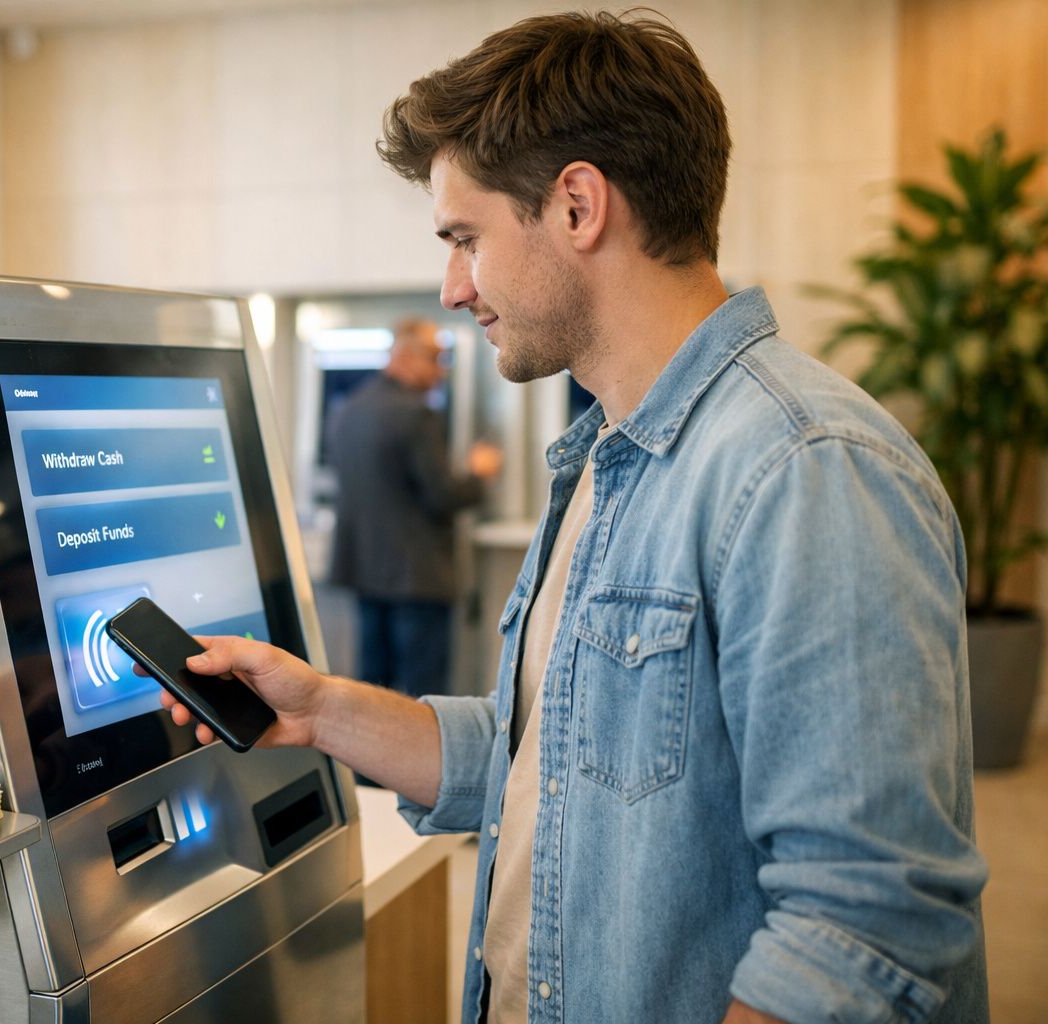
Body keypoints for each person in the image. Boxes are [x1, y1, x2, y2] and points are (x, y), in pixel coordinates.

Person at [160, 11, 987, 1023]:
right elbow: (539, 763)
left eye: (465, 238)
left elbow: (864, 928)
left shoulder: (806, 469)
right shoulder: (604, 459)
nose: (453, 287)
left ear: (579, 206)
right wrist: (323, 709)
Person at [327, 317, 501, 697]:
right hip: (416, 579)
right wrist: (479, 473)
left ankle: (367, 761)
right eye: (435, 359)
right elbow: (444, 496)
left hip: (366, 573)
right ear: (404, 357)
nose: (441, 371)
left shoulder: (349, 409)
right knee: (426, 698)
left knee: (372, 691)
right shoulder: (416, 415)